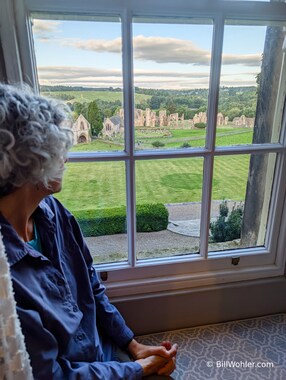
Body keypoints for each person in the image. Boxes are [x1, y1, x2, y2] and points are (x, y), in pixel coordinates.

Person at [0, 83, 178, 379]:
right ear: (27, 162)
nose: (66, 159)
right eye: (57, 150)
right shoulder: (5, 277)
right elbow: (53, 375)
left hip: (104, 355)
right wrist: (137, 368)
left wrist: (132, 346)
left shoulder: (55, 214)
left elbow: (92, 288)